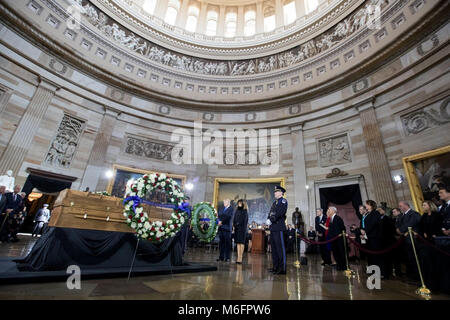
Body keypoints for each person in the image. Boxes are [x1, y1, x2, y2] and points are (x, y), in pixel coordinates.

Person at [397, 201, 421, 280]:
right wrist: (398, 229)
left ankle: (418, 276)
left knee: (414, 258)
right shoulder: (401, 215)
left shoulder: (414, 214)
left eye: (401, 206)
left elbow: (410, 224)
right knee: (407, 258)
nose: (399, 208)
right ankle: (411, 274)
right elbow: (397, 224)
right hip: (404, 240)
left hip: (412, 240)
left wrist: (401, 230)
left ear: (406, 205)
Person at [267, 186, 288, 275]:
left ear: (281, 193)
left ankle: (282, 268)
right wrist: (268, 219)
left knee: (280, 249)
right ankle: (275, 267)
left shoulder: (283, 201)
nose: (274, 193)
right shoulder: (274, 202)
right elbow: (270, 212)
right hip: (273, 228)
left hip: (279, 227)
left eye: (276, 192)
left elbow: (280, 212)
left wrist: (271, 220)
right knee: (274, 249)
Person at [360, 200, 381, 269]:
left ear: (370, 205)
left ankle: (380, 271)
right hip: (369, 236)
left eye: (366, 204)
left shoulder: (375, 213)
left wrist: (365, 230)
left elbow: (373, 223)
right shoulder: (368, 214)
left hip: (375, 236)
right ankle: (373, 270)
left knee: (376, 255)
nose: (365, 205)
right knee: (370, 255)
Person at [378, 206, 396, 279]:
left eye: (379, 211)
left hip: (388, 241)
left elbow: (391, 230)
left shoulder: (388, 219)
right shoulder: (378, 219)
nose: (378, 212)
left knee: (388, 258)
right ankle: (385, 272)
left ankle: (389, 273)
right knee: (383, 258)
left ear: (383, 211)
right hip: (381, 241)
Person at [327, 207, 347, 271]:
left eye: (329, 210)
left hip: (339, 240)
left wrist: (339, 235)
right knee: (335, 253)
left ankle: (343, 266)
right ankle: (339, 265)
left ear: (333, 211)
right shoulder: (331, 219)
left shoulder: (338, 218)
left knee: (341, 253)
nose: (328, 211)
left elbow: (343, 228)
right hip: (333, 240)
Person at [233, 199, 248, 264]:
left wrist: (238, 223)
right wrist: (234, 224)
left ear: (243, 204)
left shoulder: (245, 211)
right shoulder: (237, 210)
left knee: (241, 243)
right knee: (238, 243)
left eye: (240, 203)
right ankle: (238, 256)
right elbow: (234, 218)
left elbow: (244, 220)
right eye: (238, 203)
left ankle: (240, 257)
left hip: (242, 229)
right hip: (237, 228)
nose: (239, 204)